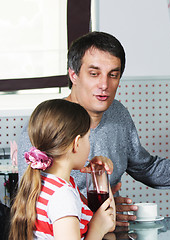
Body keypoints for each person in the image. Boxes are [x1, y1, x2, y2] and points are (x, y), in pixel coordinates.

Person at [17, 31, 170, 225]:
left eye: (113, 75)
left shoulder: (118, 113)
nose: (104, 85)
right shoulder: (44, 125)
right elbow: (33, 202)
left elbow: (146, 167)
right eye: (94, 74)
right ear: (73, 75)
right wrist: (97, 214)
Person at [10, 99, 116, 240]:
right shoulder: (63, 197)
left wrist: (99, 174)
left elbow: (108, 222)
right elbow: (101, 225)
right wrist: (96, 230)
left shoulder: (48, 183)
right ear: (76, 143)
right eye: (88, 138)